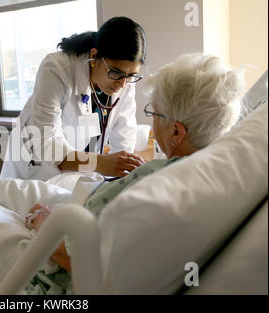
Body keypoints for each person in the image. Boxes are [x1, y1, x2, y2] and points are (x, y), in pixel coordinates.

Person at [24, 53, 245, 294]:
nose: (151, 123)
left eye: (155, 114)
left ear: (176, 133)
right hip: (47, 176)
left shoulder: (154, 183)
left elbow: (76, 257)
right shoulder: (218, 177)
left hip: (58, 267)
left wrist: (43, 222)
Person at [0, 17, 148, 181]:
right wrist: (101, 163)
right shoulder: (57, 68)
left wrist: (124, 174)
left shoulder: (125, 80)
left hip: (79, 173)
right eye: (115, 72)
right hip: (34, 170)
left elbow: (124, 136)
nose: (122, 84)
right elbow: (47, 145)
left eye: (131, 75)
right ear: (94, 56)